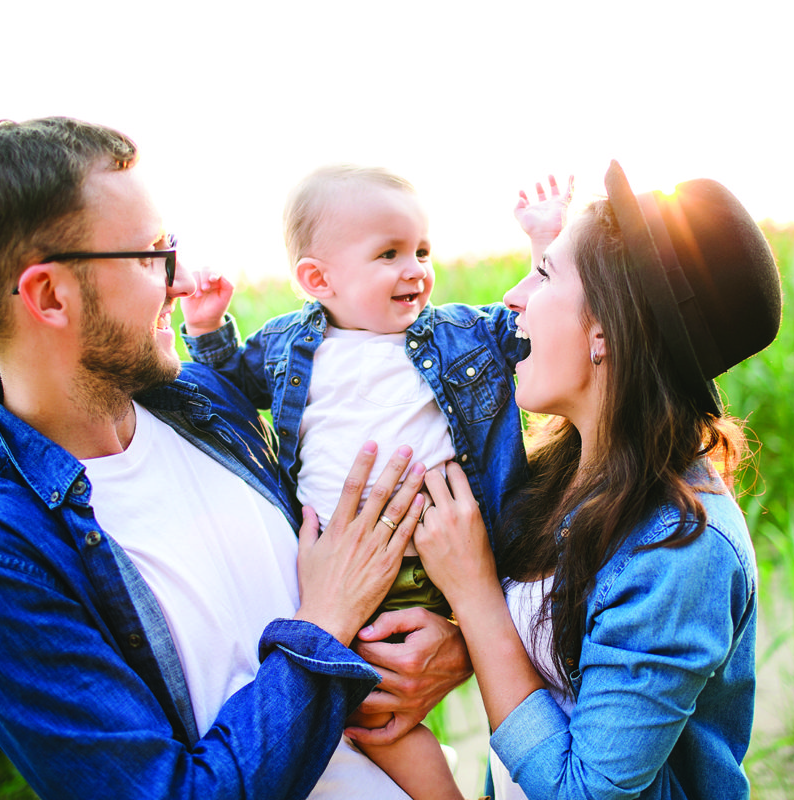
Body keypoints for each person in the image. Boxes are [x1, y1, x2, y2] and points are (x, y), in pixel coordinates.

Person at [0, 117, 471, 800]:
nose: (176, 282)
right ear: (49, 295)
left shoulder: (205, 404)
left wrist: (451, 642)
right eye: (150, 256)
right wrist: (322, 626)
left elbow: (376, 594)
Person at [414, 162, 783, 799]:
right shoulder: (570, 471)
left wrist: (474, 601)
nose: (511, 297)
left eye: (542, 274)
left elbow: (582, 791)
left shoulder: (681, 552)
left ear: (605, 332)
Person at [179, 164, 546, 799]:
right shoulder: (294, 346)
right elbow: (232, 390)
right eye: (389, 254)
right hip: (337, 568)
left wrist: (545, 247)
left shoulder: (451, 335)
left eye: (421, 250)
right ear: (318, 279)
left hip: (431, 557)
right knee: (367, 718)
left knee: (382, 710)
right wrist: (209, 329)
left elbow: (525, 328)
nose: (416, 269)